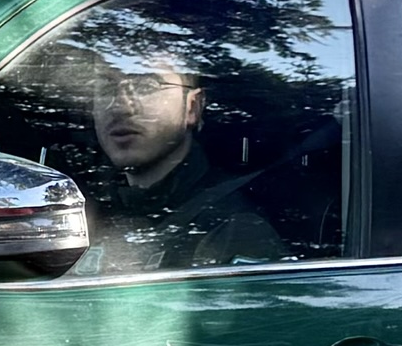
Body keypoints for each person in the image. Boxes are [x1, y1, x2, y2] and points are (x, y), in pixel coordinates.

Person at [58, 42, 283, 275]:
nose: (121, 106)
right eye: (105, 88)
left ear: (192, 107)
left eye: (146, 85)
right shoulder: (79, 213)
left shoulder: (232, 228)